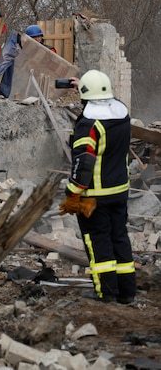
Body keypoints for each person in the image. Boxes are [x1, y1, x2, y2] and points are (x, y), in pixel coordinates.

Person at [58, 70, 136, 304]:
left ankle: (106, 291)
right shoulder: (121, 114)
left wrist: (73, 192)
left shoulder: (88, 124)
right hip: (120, 191)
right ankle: (127, 292)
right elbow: (105, 97)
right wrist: (86, 86)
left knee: (98, 241)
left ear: (85, 95)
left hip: (95, 196)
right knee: (119, 237)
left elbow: (84, 164)